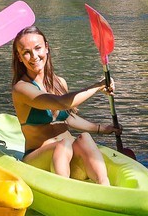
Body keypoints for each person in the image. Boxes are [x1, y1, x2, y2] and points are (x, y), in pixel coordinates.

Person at [11, 26, 114, 185]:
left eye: (38, 48)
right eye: (26, 52)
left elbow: (67, 117)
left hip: (68, 153)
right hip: (38, 158)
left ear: (46, 48)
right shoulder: (22, 89)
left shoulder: (60, 83)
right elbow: (61, 103)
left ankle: (105, 186)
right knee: (62, 144)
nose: (34, 56)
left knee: (84, 138)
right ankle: (65, 190)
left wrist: (101, 129)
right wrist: (98, 87)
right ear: (19, 57)